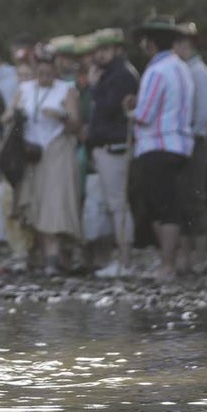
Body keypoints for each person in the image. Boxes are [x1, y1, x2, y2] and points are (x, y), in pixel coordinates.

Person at [126, 16, 194, 280]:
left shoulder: (157, 71)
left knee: (161, 206)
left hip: (157, 143)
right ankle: (179, 259)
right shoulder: (182, 68)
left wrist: (130, 110)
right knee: (174, 201)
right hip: (180, 144)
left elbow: (145, 114)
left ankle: (167, 264)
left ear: (151, 43)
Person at [7, 45, 83, 275]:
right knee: (34, 202)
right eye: (40, 73)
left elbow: (76, 125)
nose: (44, 78)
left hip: (57, 149)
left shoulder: (66, 90)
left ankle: (54, 257)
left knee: (54, 203)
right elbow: (8, 116)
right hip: (32, 152)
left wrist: (62, 116)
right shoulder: (25, 89)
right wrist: (13, 115)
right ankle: (42, 256)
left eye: (49, 74)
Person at [84, 28, 139, 278]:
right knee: (113, 205)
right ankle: (119, 258)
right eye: (98, 50)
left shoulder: (121, 75)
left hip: (114, 148)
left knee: (118, 205)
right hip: (105, 147)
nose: (100, 54)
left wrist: (94, 87)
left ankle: (125, 261)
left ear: (117, 49)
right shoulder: (112, 73)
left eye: (105, 49)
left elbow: (108, 109)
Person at [173, 22, 207, 263]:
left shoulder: (199, 71)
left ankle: (199, 256)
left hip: (195, 141)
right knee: (181, 198)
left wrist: (191, 133)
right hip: (182, 141)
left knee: (195, 197)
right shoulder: (180, 70)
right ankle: (185, 254)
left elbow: (205, 112)